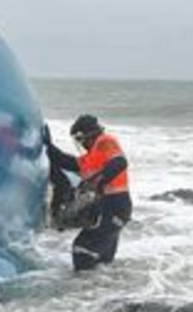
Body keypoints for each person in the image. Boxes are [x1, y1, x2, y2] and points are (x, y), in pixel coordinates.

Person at [44, 114, 132, 270]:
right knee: (102, 262)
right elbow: (68, 162)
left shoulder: (105, 141)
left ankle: (81, 291)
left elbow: (120, 162)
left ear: (89, 135)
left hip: (115, 206)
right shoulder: (92, 157)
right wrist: (48, 146)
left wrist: (98, 181)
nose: (81, 144)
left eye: (81, 139)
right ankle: (103, 292)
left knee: (82, 250)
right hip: (113, 208)